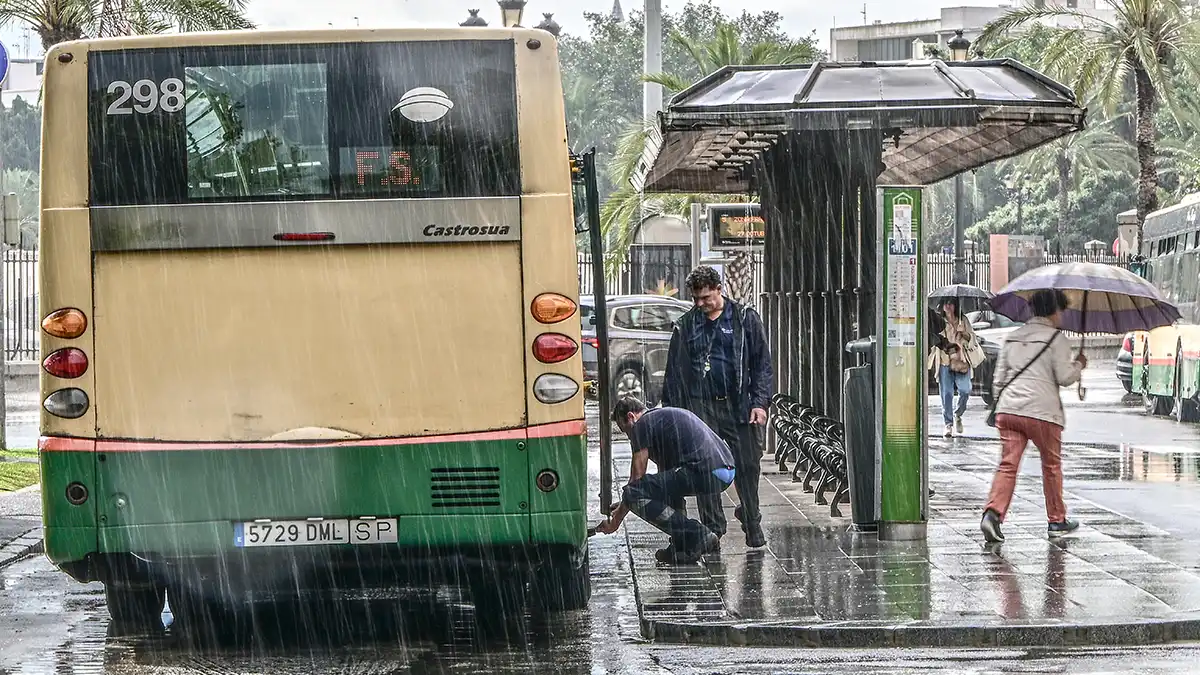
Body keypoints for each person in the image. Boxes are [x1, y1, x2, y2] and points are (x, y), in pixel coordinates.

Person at [661, 266, 772, 549]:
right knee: (705, 468)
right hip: (701, 408)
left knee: (747, 465)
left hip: (738, 405)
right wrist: (673, 414)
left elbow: (762, 365)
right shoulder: (686, 326)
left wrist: (760, 403)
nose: (701, 304)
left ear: (719, 289)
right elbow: (673, 373)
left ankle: (751, 519)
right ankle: (713, 528)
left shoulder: (745, 319)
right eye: (696, 299)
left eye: (706, 297)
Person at [980, 288, 1086, 544]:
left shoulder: (1013, 337)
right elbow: (1064, 377)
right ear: (1054, 310)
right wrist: (1080, 364)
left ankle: (992, 514)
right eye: (1062, 310)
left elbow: (998, 380)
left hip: (1009, 411)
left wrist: (1005, 402)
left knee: (1008, 463)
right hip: (1042, 413)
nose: (1063, 315)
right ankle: (1056, 520)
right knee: (1051, 465)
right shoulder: (1056, 339)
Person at [594, 397, 737, 564]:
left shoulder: (642, 424)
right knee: (665, 492)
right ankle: (681, 544)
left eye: (626, 431)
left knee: (633, 493)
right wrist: (624, 503)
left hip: (705, 469)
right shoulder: (662, 421)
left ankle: (696, 533)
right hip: (724, 470)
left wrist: (615, 521)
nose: (630, 437)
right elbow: (664, 485)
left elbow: (636, 481)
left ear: (631, 416)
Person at [927, 298, 982, 437]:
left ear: (955, 305)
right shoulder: (939, 321)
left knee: (965, 390)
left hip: (962, 361)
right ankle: (948, 424)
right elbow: (934, 339)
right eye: (945, 303)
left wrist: (965, 335)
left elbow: (973, 339)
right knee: (947, 394)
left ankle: (958, 414)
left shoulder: (962, 320)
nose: (948, 306)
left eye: (951, 303)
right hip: (945, 361)